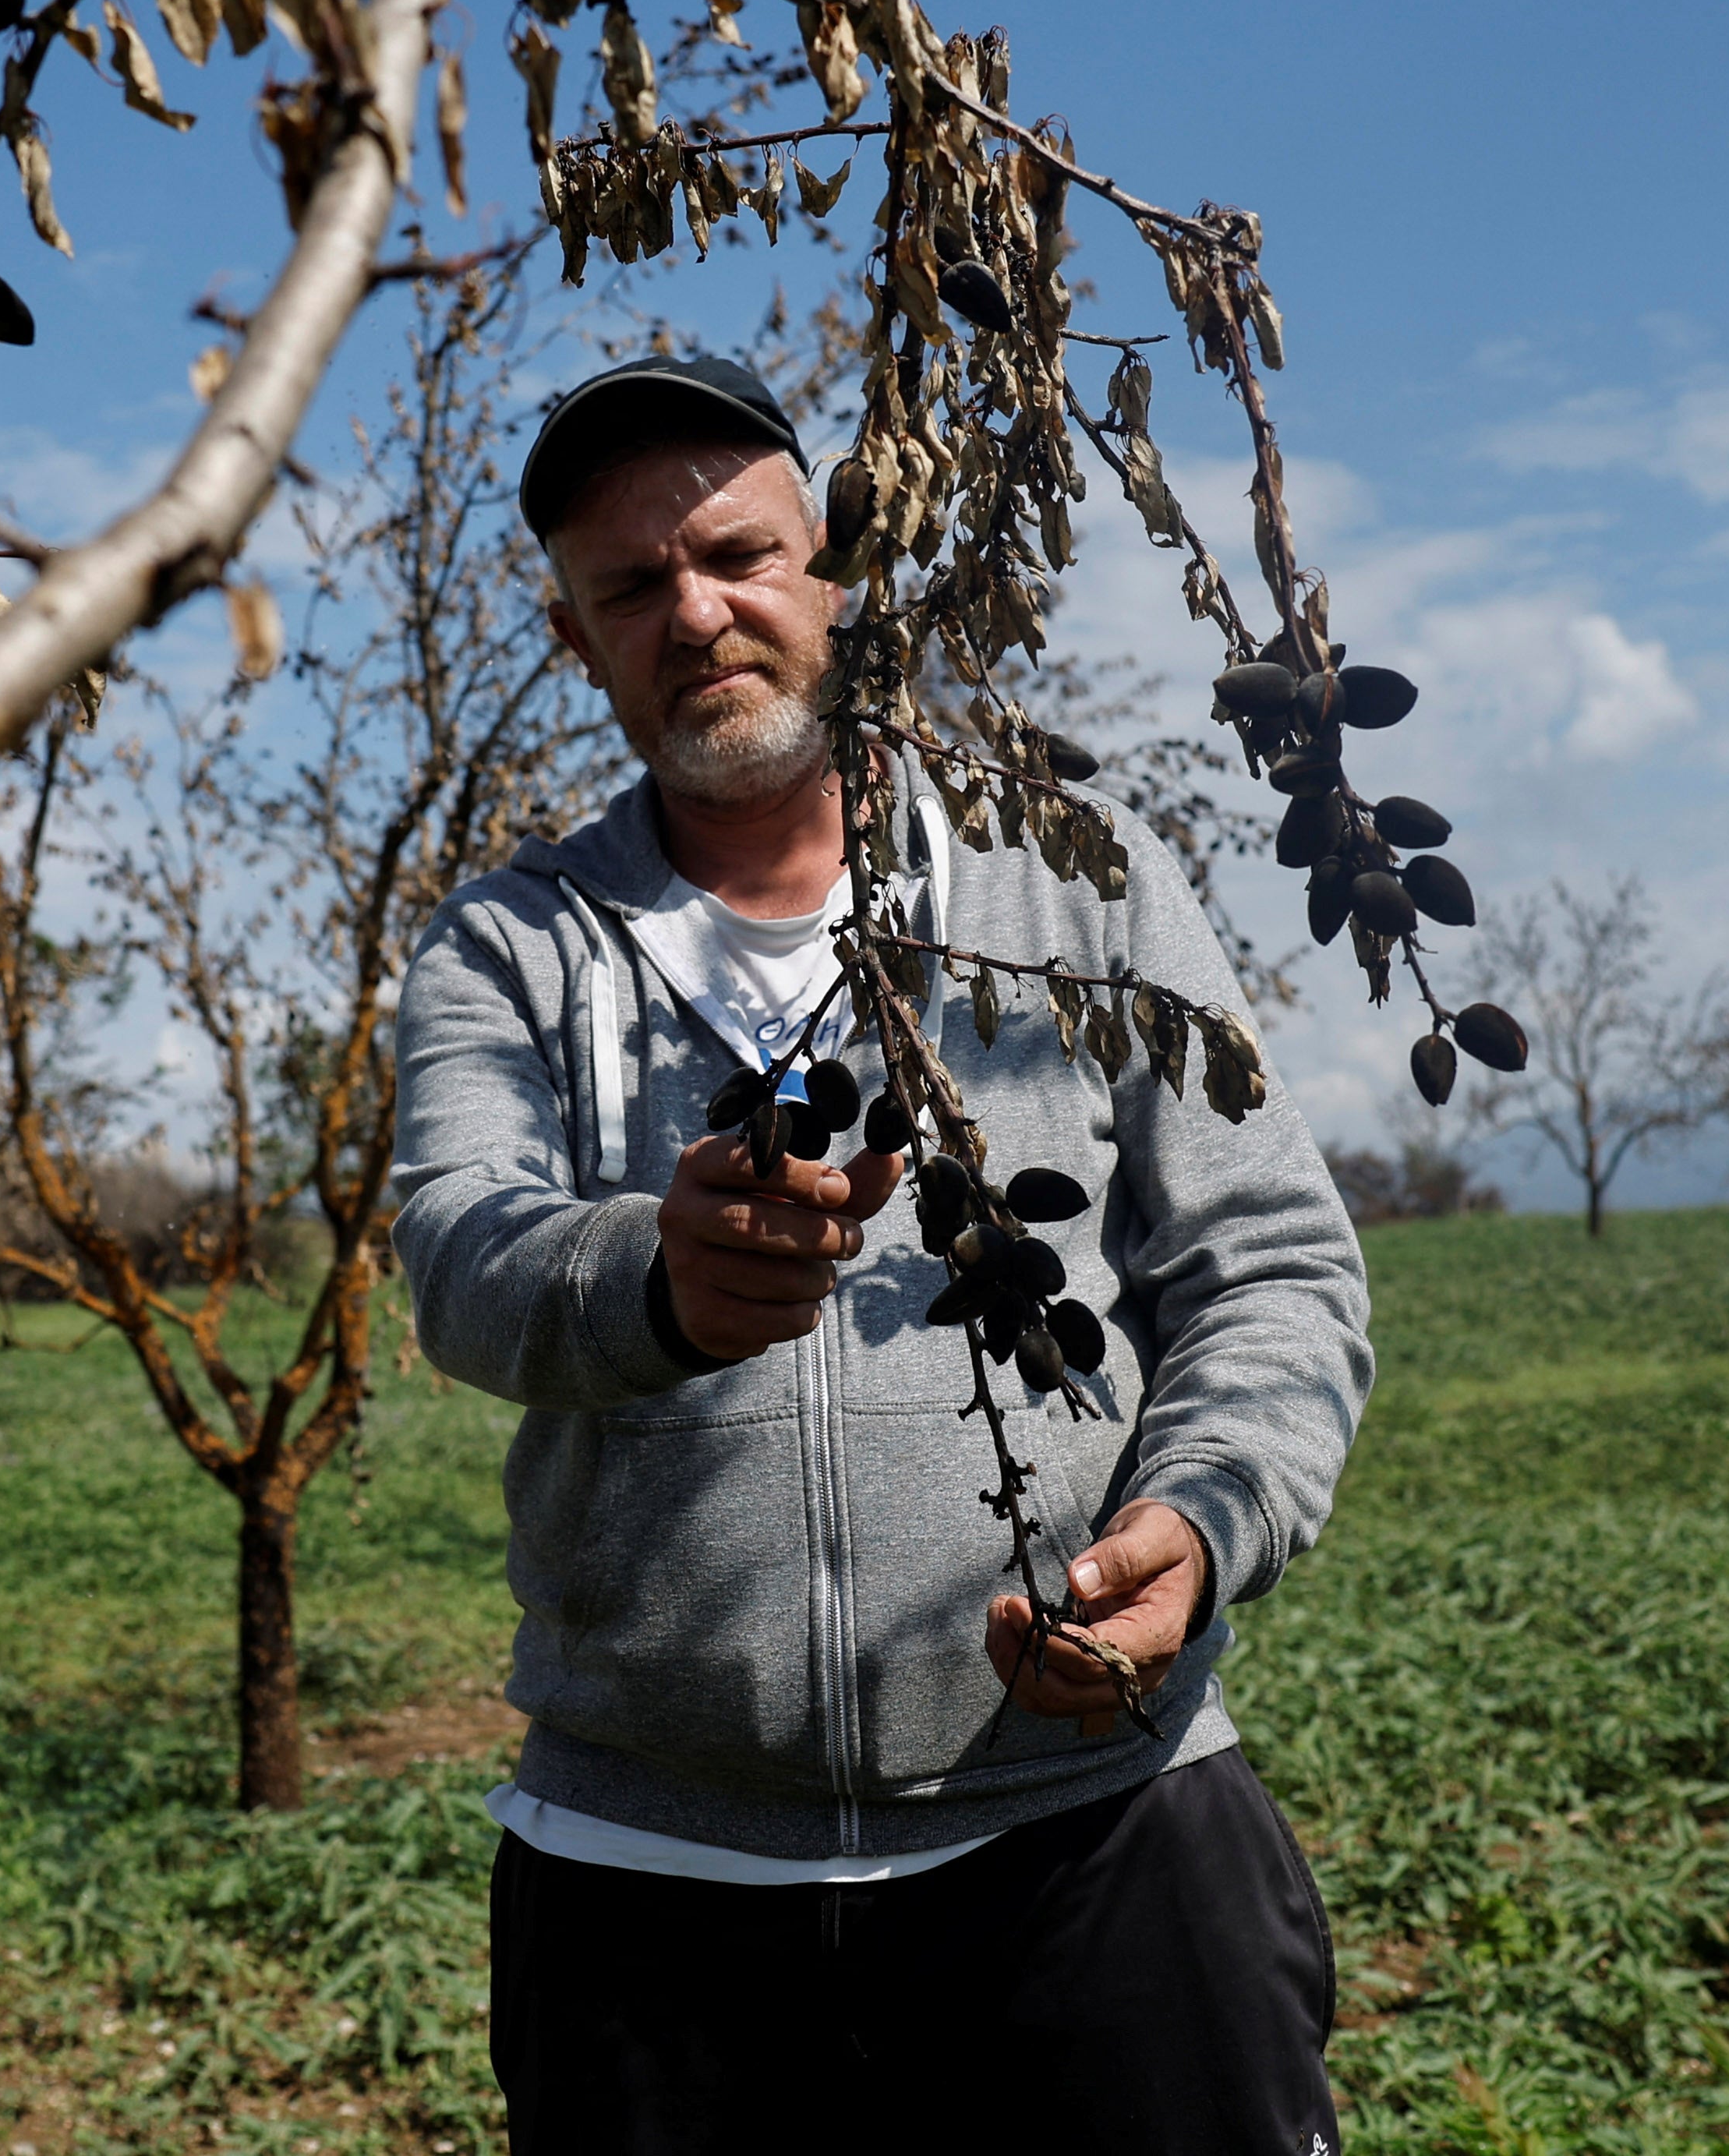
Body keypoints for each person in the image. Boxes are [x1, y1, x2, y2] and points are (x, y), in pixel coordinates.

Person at [391, 350, 1375, 2154]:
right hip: (650, 1896)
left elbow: (1270, 1265)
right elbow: (456, 1244)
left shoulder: (1074, 885)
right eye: (632, 586)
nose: (696, 611)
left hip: (1101, 1835)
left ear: (834, 570)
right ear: (575, 635)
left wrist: (1209, 1518)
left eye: (737, 555)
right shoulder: (513, 945)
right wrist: (653, 1285)